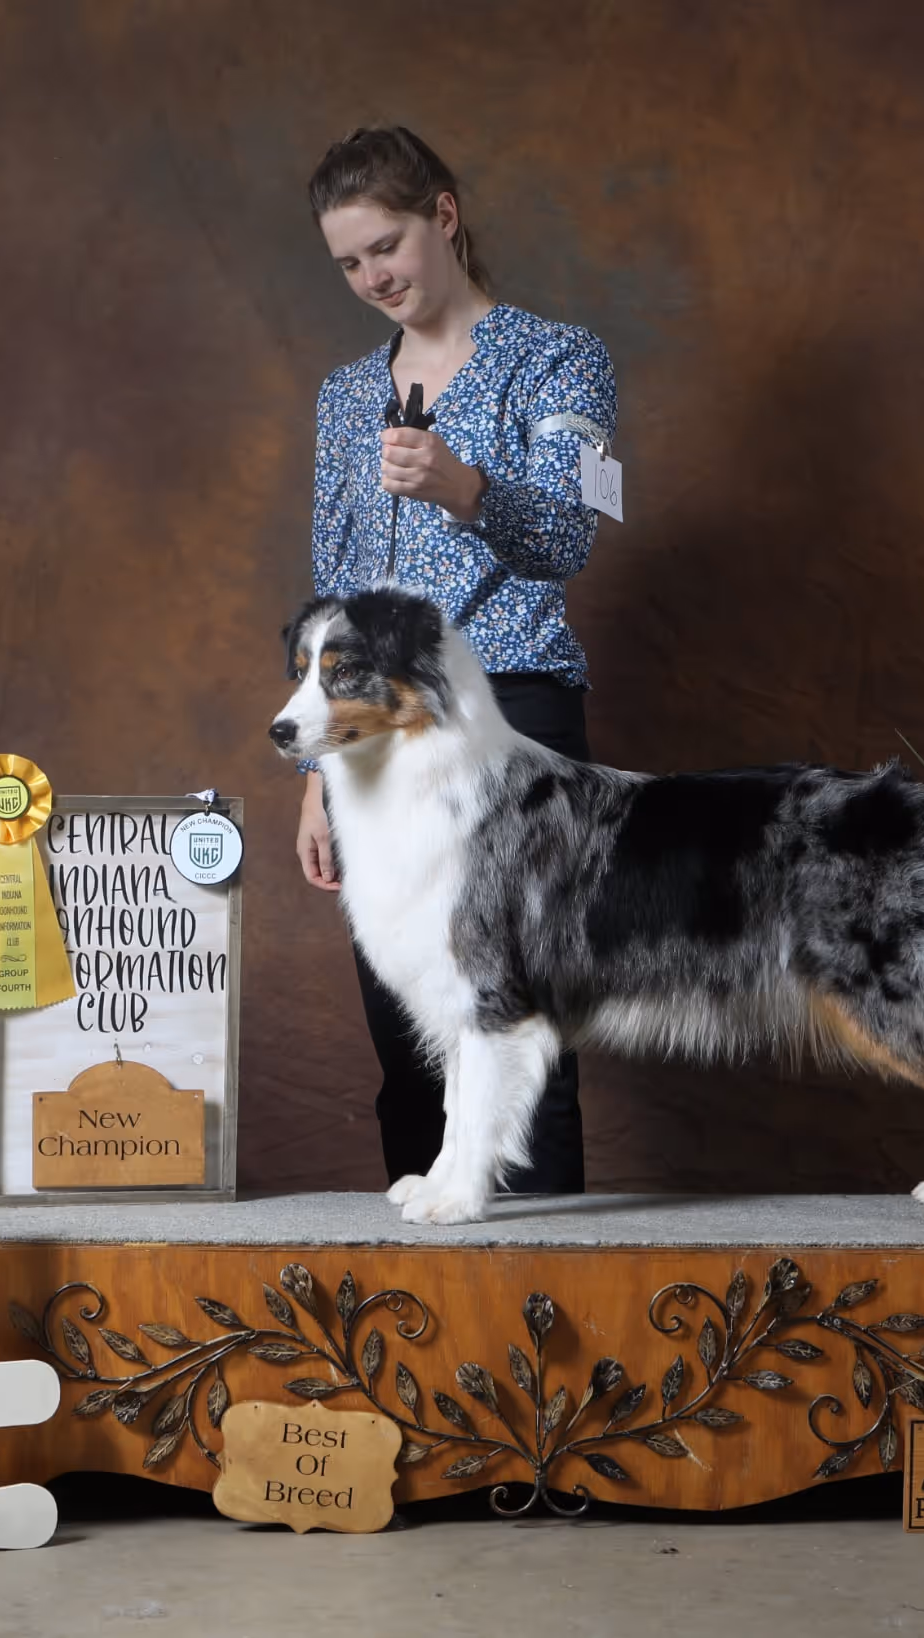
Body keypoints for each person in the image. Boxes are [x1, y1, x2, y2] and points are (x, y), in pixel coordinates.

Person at [298, 125, 616, 1196]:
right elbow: (332, 588)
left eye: (385, 245)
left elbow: (569, 536)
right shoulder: (345, 397)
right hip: (372, 736)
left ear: (443, 215)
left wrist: (464, 488)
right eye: (348, 262)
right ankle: (427, 1265)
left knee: (513, 1010)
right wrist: (319, 772)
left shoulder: (557, 359)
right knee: (404, 1031)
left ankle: (541, 1272)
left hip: (509, 714)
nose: (372, 277)